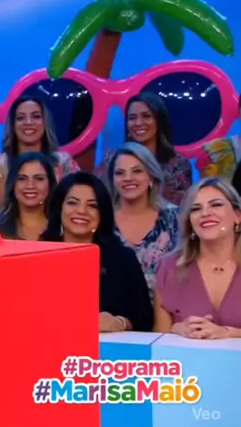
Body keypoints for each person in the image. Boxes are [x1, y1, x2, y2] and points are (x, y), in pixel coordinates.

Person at [41, 172, 153, 332]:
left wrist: (119, 322)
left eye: (92, 205)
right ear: (59, 208)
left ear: (102, 214)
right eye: (72, 203)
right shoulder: (38, 256)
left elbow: (144, 319)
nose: (82, 211)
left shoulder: (122, 259)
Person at [154, 177, 241, 338]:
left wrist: (229, 333)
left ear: (238, 216)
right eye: (195, 209)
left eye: (216, 205)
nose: (205, 213)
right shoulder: (170, 268)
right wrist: (175, 330)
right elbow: (159, 339)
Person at [103, 142, 178, 299]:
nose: (128, 178)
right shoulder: (102, 221)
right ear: (113, 180)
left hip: (168, 308)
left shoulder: (174, 218)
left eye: (137, 171)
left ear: (151, 176)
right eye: (120, 173)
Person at [0, 96, 78, 213]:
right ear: (12, 125)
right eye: (20, 118)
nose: (28, 122)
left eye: (36, 116)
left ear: (45, 122)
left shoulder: (63, 162)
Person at [96, 92, 192, 205]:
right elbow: (97, 197)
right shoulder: (112, 159)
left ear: (159, 121)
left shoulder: (177, 164)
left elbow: (185, 208)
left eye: (146, 116)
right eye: (132, 118)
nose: (138, 123)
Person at [0, 152, 57, 241]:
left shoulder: (62, 228)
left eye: (39, 178)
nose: (30, 186)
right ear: (13, 184)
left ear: (50, 184)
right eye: (22, 179)